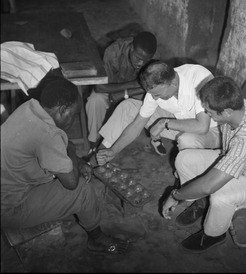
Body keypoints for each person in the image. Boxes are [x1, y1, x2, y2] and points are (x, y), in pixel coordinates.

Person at [1, 79, 129, 255]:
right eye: (75, 114)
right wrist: (71, 148)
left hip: (8, 184)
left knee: (68, 169)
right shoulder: (48, 134)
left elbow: (49, 150)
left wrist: (75, 160)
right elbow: (71, 183)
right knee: (82, 191)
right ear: (62, 111)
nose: (75, 119)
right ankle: (96, 239)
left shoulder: (29, 107)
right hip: (9, 208)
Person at [161, 76, 246, 253]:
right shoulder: (238, 107)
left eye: (209, 111)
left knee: (220, 194)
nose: (206, 113)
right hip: (236, 160)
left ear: (226, 112)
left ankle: (214, 234)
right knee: (184, 159)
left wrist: (175, 195)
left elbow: (209, 185)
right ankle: (198, 202)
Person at [96, 60, 219, 166]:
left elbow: (202, 127)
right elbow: (138, 124)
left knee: (186, 140)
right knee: (128, 107)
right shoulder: (157, 86)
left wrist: (163, 124)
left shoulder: (199, 78)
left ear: (173, 84)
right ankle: (104, 152)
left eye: (157, 95)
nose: (154, 98)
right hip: (180, 120)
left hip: (212, 130)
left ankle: (185, 182)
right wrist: (114, 150)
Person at [85, 31, 157, 155]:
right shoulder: (114, 51)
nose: (141, 63)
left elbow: (154, 85)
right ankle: (93, 142)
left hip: (132, 92)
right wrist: (133, 85)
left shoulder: (153, 57)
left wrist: (125, 93)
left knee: (152, 98)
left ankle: (110, 144)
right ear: (131, 47)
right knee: (95, 100)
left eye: (145, 61)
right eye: (138, 58)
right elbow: (99, 87)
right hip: (110, 88)